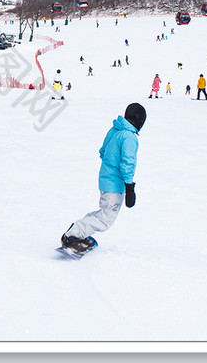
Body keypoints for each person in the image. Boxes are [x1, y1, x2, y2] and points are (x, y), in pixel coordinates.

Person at [61, 103, 146, 255]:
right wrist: (129, 187)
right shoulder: (129, 137)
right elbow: (128, 163)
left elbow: (103, 152)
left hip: (105, 180)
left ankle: (79, 232)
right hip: (115, 184)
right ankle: (73, 235)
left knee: (103, 213)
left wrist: (109, 168)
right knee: (105, 220)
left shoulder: (115, 129)